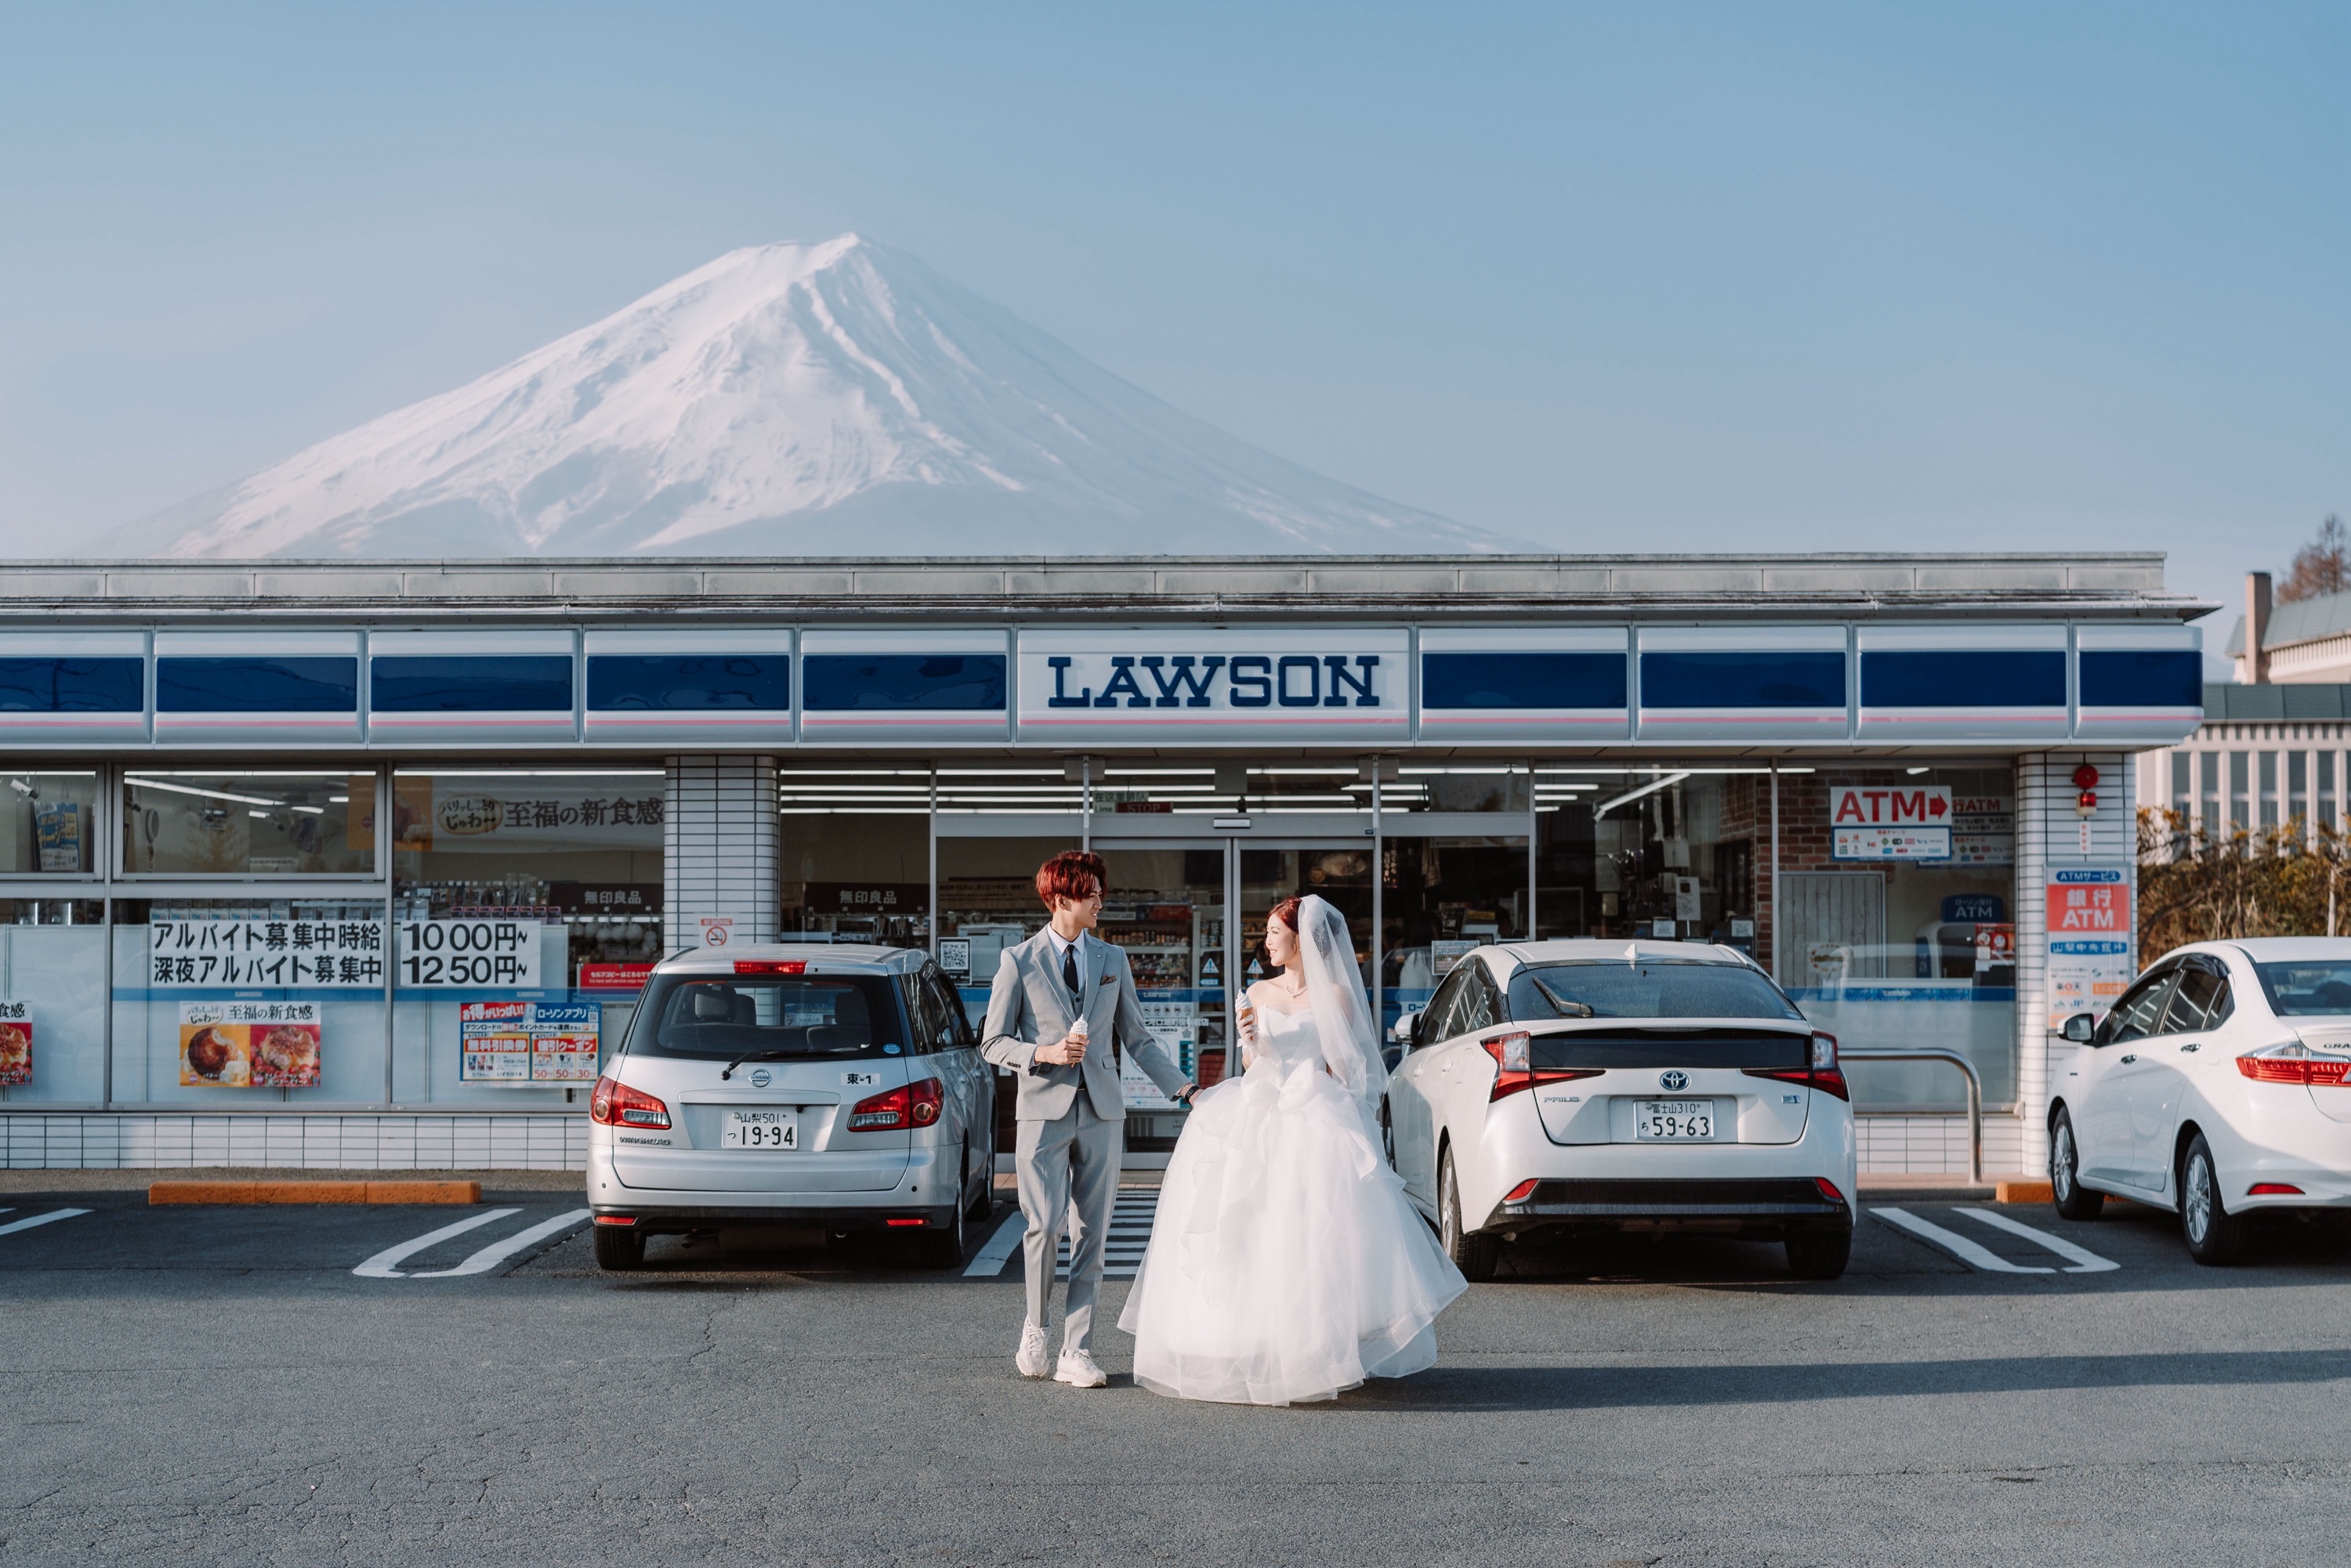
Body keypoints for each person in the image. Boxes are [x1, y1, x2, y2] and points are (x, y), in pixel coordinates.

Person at [1121, 893, 1465, 1405]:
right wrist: (1248, 1039)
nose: (1267, 941)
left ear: (1299, 938)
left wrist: (1343, 1103)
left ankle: (1315, 1344)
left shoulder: (1337, 996)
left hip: (1313, 1109)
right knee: (1252, 1223)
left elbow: (1347, 1068)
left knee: (1312, 1233)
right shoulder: (1257, 992)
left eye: (1274, 932)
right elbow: (1253, 1060)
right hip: (1261, 1105)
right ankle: (1252, 1340)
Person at [983, 849, 1196, 1389]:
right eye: (1091, 892)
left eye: (1101, 890)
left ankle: (1077, 1350)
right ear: (1061, 899)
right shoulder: (1019, 960)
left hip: (1102, 1111)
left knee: (1092, 1236)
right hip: (1042, 1111)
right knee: (1044, 1227)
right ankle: (1037, 1326)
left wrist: (1186, 1088)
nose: (1101, 900)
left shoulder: (1112, 959)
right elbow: (991, 1042)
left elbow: (1139, 1038)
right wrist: (1046, 1053)